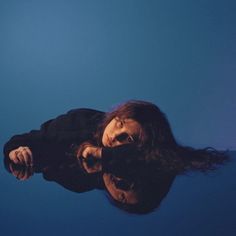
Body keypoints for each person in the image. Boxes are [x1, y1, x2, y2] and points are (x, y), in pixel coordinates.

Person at [3, 100, 228, 172]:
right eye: (118, 124)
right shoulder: (79, 119)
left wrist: (104, 155)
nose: (114, 135)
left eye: (126, 139)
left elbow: (155, 157)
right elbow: (28, 138)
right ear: (116, 116)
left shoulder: (117, 182)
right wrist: (16, 149)